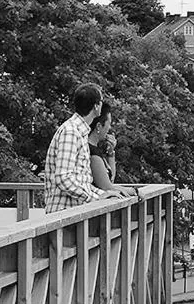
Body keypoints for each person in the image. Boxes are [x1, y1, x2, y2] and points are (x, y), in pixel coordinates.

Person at [44, 83, 123, 213]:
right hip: (63, 215)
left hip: (74, 213)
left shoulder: (80, 132)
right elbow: (63, 178)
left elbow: (83, 183)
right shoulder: (70, 132)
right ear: (96, 106)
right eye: (101, 101)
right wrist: (95, 198)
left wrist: (105, 194)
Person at [87, 102, 137, 197]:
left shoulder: (97, 149)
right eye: (109, 124)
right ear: (98, 126)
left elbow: (111, 179)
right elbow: (108, 187)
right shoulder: (93, 154)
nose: (109, 128)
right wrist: (135, 191)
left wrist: (110, 153)